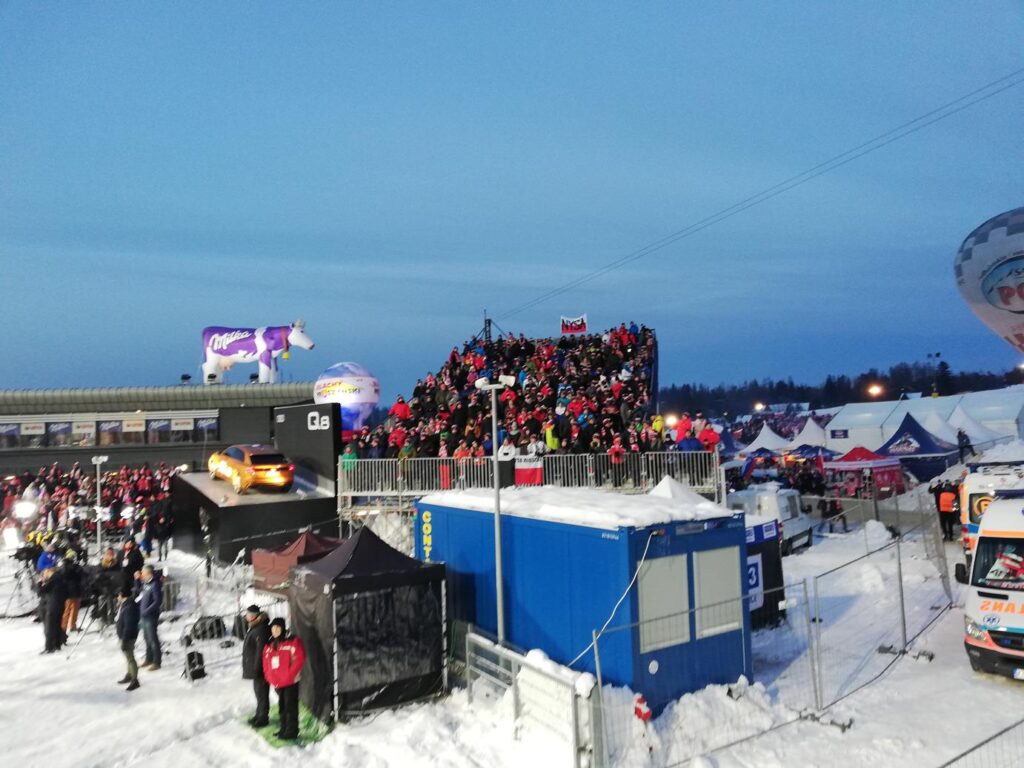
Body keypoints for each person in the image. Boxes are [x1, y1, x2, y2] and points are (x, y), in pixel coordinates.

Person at [262, 617, 306, 741]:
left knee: (290, 706)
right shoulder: (269, 644)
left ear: (282, 628)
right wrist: (269, 676)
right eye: (273, 628)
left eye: (277, 628)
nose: (275, 631)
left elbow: (299, 659)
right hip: (278, 682)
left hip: (291, 681)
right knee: (282, 706)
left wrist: (289, 675)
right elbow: (266, 662)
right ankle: (284, 727)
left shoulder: (292, 641)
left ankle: (292, 730)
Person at [242, 605, 272, 727]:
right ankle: (259, 714)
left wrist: (257, 669)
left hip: (260, 669)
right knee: (259, 693)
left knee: (262, 693)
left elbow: (261, 652)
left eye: (248, 615)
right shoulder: (255, 626)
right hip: (256, 668)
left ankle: (263, 717)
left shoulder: (260, 629)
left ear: (254, 616)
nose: (246, 617)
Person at [115, 588, 141, 691]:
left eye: (119, 596)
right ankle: (129, 674)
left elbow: (129, 625)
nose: (117, 598)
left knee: (130, 658)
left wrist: (125, 639)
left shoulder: (129, 607)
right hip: (125, 636)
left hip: (128, 637)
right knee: (128, 657)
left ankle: (135, 680)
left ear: (122, 596)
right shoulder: (126, 604)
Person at [138, 564, 162, 670]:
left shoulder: (155, 584)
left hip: (151, 615)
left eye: (143, 573)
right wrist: (136, 580)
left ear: (149, 573)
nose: (142, 574)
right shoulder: (145, 583)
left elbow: (158, 601)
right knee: (146, 638)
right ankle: (149, 658)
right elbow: (139, 593)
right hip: (143, 615)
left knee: (153, 638)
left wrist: (147, 611)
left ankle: (157, 661)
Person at [38, 566, 67, 653]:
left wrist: (40, 583)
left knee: (50, 626)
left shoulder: (53, 579)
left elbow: (41, 591)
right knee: (57, 625)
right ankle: (57, 645)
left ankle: (49, 647)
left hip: (52, 605)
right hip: (60, 605)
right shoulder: (60, 578)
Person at [60, 551, 83, 634]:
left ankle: (73, 625)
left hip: (76, 589)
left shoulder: (76, 566)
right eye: (72, 556)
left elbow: (80, 576)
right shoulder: (65, 566)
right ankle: (63, 627)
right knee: (67, 610)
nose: (73, 558)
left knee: (75, 609)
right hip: (68, 591)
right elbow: (65, 576)